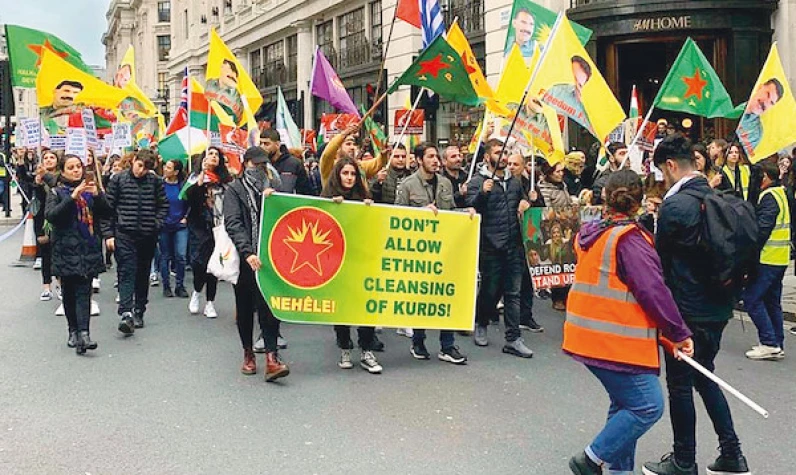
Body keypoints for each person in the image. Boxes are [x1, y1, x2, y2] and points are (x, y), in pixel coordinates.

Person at [565, 170, 694, 475]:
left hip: (590, 336)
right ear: (640, 201)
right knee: (647, 405)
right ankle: (590, 459)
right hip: (616, 343)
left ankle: (619, 471)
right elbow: (653, 292)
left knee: (625, 403)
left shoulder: (592, 233)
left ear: (605, 197)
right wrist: (678, 333)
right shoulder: (630, 240)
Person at [643, 134, 750, 475]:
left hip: (686, 311)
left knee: (680, 385)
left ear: (672, 166)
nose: (662, 178)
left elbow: (659, 261)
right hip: (718, 307)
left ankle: (683, 460)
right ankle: (732, 454)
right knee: (705, 376)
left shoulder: (675, 206)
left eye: (662, 171)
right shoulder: (717, 196)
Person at [394, 144, 468, 365]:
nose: (436, 160)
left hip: (444, 250)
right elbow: (397, 216)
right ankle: (418, 341)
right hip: (418, 251)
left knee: (447, 296)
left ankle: (447, 345)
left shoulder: (445, 184)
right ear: (419, 160)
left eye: (437, 156)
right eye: (431, 157)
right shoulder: (407, 185)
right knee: (421, 298)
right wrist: (420, 213)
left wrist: (466, 213)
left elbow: (451, 212)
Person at [223, 146, 289, 382]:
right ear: (245, 163)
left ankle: (272, 357)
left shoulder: (272, 188)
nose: (259, 169)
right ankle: (248, 353)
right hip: (245, 260)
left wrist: (274, 200)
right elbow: (233, 223)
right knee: (245, 308)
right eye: (255, 165)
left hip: (269, 258)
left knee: (269, 307)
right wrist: (247, 251)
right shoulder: (234, 189)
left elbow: (286, 215)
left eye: (263, 165)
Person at [466, 139, 533, 358]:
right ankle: (481, 322)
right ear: (487, 157)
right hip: (490, 245)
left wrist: (527, 202)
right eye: (498, 152)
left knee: (513, 292)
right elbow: (471, 208)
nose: (503, 157)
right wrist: (482, 193)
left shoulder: (514, 181)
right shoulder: (478, 181)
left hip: (513, 244)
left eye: (505, 153)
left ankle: (513, 338)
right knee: (490, 290)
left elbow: (522, 200)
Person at [321, 157, 383, 374]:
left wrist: (368, 209)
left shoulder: (364, 197)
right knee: (343, 307)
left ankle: (366, 349)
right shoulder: (328, 198)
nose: (349, 178)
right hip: (338, 261)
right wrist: (332, 209)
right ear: (338, 175)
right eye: (345, 173)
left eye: (353, 174)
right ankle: (345, 346)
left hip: (361, 259)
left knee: (365, 304)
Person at [46, 155, 110, 354]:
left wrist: (98, 195)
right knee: (69, 293)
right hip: (65, 249)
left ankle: (85, 333)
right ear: (63, 171)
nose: (76, 170)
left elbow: (107, 212)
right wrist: (72, 197)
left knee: (84, 292)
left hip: (87, 248)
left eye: (78, 167)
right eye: (71, 167)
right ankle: (73, 330)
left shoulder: (90, 192)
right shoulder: (57, 192)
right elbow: (53, 216)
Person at [102, 149, 168, 335]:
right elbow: (108, 209)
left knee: (142, 273)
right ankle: (126, 312)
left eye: (146, 168)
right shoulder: (118, 179)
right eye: (139, 166)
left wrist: (156, 224)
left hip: (147, 235)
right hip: (124, 234)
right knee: (126, 271)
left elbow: (163, 205)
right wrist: (109, 234)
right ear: (133, 161)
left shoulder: (155, 182)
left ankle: (139, 309)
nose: (141, 171)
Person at [743, 160, 790, 360]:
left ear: (764, 178)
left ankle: (769, 342)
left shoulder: (769, 197)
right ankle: (777, 342)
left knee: (752, 299)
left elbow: (762, 230)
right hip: (780, 258)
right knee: (772, 302)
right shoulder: (781, 193)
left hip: (768, 258)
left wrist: (748, 255)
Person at [186, 147, 232, 319]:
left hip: (219, 226)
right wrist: (201, 178)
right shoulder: (194, 177)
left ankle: (210, 302)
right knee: (199, 263)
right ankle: (197, 291)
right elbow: (188, 197)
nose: (213, 157)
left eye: (216, 155)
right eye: (210, 154)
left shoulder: (225, 180)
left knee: (214, 265)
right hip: (200, 226)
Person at [32, 150, 60, 301]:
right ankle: (46, 286)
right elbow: (38, 201)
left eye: (52, 157)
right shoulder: (38, 179)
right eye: (46, 158)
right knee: (46, 254)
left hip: (58, 219)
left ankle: (60, 284)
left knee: (59, 253)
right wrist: (37, 184)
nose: (49, 160)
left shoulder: (61, 177)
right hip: (43, 220)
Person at [159, 160, 189, 298]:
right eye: (165, 166)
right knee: (165, 256)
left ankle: (179, 285)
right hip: (164, 225)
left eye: (169, 167)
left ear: (176, 172)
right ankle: (166, 286)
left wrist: (186, 217)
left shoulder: (183, 186)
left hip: (180, 225)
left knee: (181, 256)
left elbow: (190, 203)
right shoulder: (160, 185)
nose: (165, 169)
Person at [737, 79, 784, 155]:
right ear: (760, 87)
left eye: (771, 102)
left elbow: (743, 155)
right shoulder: (734, 104)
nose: (765, 103)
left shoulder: (756, 132)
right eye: (767, 94)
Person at [259, 128, 311, 195]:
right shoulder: (260, 164)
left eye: (266, 144)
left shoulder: (293, 164)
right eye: (260, 143)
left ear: (277, 144)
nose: (262, 147)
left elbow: (305, 191)